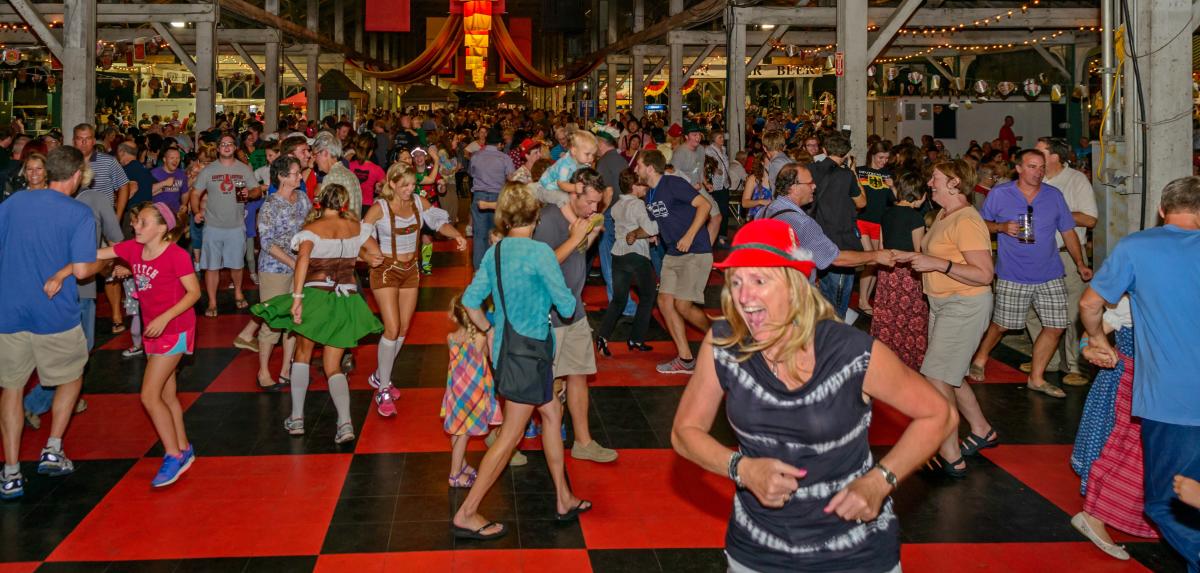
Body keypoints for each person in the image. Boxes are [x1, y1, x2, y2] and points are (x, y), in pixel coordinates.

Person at [671, 218, 955, 573]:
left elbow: (939, 414)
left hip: (854, 554)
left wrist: (881, 480)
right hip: (759, 553)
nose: (744, 297)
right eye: (737, 281)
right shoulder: (725, 343)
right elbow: (685, 432)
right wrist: (741, 468)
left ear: (794, 285)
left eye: (759, 280)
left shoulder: (851, 351)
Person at [453, 182, 589, 541]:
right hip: (531, 354)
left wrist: (490, 328)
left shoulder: (494, 253)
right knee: (510, 436)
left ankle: (563, 497)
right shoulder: (540, 253)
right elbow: (566, 305)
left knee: (551, 414)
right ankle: (467, 512)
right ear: (536, 215)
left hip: (510, 352)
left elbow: (470, 300)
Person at [1080, 175, 1200, 571]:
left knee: (1164, 502)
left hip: (1171, 400)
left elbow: (1090, 303)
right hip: (1170, 397)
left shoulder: (1138, 247)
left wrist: (1096, 341)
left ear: (1162, 210)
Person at [251, 184, 384, 445]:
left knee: (302, 353)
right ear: (344, 204)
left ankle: (297, 418)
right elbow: (375, 254)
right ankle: (345, 423)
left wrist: (297, 298)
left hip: (316, 297)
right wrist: (365, 259)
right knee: (333, 365)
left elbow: (302, 261)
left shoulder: (311, 231)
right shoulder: (356, 228)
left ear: (320, 203)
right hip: (345, 299)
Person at [0, 146, 97, 499]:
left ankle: (10, 471)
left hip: (9, 311)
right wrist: (103, 260)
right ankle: (53, 447)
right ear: (76, 177)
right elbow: (85, 271)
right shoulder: (79, 214)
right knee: (72, 377)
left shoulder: (12, 204)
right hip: (54, 314)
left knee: (11, 388)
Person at [893, 159, 997, 478]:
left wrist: (938, 264)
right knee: (951, 373)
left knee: (936, 377)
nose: (929, 183)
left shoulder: (966, 220)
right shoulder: (944, 214)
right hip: (943, 303)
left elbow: (984, 274)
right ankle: (981, 429)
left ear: (954, 182)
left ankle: (951, 455)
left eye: (935, 178)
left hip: (964, 305)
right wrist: (917, 259)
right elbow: (940, 254)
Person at [971, 149, 1092, 398]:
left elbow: (1068, 231)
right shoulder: (1000, 194)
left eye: (1041, 168)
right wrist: (1001, 227)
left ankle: (1036, 378)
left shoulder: (1053, 195)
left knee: (1056, 326)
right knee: (1003, 324)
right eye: (1032, 166)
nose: (1037, 172)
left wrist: (1080, 263)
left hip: (1050, 272)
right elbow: (980, 225)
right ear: (1018, 168)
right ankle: (981, 357)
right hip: (1013, 272)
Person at [95, 203, 199, 487]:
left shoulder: (176, 256)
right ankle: (184, 448)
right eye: (135, 222)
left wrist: (166, 317)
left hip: (174, 329)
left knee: (149, 396)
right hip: (153, 331)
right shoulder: (133, 249)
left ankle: (173, 454)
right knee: (167, 396)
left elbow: (194, 293)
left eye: (142, 222)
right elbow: (97, 253)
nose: (135, 226)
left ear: (162, 228)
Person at [365, 163, 465, 416]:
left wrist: (456, 235)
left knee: (404, 329)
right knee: (392, 327)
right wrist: (370, 254)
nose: (409, 189)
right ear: (392, 184)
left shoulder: (419, 203)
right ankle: (383, 388)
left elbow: (438, 223)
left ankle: (380, 375)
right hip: (386, 269)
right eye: (404, 185)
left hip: (411, 270)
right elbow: (361, 233)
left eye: (412, 185)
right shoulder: (380, 207)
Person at [533, 167, 616, 463]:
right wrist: (578, 235)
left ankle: (583, 441)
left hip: (575, 310)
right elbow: (543, 265)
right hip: (550, 313)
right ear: (574, 191)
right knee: (539, 383)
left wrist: (589, 233)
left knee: (579, 374)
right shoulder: (549, 219)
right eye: (589, 202)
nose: (593, 208)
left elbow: (576, 253)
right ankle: (505, 436)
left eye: (597, 204)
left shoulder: (579, 220)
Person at [1069, 296, 1157, 560]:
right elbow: (1093, 330)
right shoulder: (1134, 300)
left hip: (1159, 385)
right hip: (1132, 385)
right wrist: (1088, 347)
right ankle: (1094, 516)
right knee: (1127, 452)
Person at [1022, 137, 1098, 386]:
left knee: (1072, 310)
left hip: (1066, 254)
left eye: (1041, 151)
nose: (1035, 155)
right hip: (1035, 255)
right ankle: (1048, 359)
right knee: (1033, 309)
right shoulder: (1036, 180)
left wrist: (1057, 214)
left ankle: (1077, 366)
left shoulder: (1075, 180)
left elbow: (1090, 219)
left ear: (1054, 156)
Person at [635, 150, 712, 375]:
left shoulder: (673, 183)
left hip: (695, 251)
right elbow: (656, 225)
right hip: (673, 253)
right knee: (666, 302)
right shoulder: (649, 196)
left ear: (650, 167)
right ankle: (686, 359)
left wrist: (688, 236)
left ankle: (722, 338)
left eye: (638, 165)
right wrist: (634, 234)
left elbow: (705, 206)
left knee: (683, 306)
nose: (636, 169)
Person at [249, 156, 309, 390]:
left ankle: (286, 369)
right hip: (274, 269)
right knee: (272, 320)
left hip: (299, 266)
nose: (300, 176)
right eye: (295, 173)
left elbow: (310, 227)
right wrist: (293, 263)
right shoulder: (270, 205)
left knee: (293, 319)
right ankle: (263, 371)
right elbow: (266, 242)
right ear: (282, 177)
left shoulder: (303, 199)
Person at [192, 132, 264, 317]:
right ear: (217, 148)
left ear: (234, 147)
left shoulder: (243, 169)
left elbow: (256, 190)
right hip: (212, 226)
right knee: (212, 266)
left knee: (237, 264)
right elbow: (195, 193)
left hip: (236, 225)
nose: (226, 147)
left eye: (230, 144)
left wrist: (251, 194)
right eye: (223, 144)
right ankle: (213, 302)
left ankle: (238, 292)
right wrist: (196, 212)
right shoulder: (208, 170)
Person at [442, 294, 502, 489]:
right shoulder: (480, 338)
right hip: (472, 392)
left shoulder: (450, 337)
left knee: (456, 430)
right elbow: (487, 358)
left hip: (455, 390)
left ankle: (461, 464)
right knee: (464, 433)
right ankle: (454, 474)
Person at [596, 168, 658, 355]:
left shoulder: (616, 207)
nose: (645, 187)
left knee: (618, 300)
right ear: (634, 187)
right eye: (641, 185)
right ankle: (636, 339)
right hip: (636, 255)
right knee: (648, 296)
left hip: (618, 255)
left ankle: (602, 337)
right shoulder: (638, 205)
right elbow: (650, 228)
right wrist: (659, 224)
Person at [872, 171, 928, 371]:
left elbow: (881, 244)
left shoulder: (886, 214)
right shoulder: (916, 218)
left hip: (887, 270)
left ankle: (885, 356)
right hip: (907, 274)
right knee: (911, 315)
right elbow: (917, 251)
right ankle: (910, 357)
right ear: (919, 196)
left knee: (888, 313)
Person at [807, 133, 867, 319]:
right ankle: (835, 331)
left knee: (823, 289)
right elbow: (862, 203)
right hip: (841, 239)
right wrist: (854, 172)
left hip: (815, 237)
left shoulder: (810, 169)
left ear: (824, 150)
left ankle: (822, 327)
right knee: (839, 298)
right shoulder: (846, 175)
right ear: (846, 154)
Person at [855, 142, 895, 315]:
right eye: (881, 157)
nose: (884, 161)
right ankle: (863, 301)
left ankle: (866, 299)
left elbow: (895, 200)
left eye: (886, 158)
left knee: (876, 262)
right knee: (870, 260)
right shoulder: (860, 171)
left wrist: (892, 186)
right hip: (862, 219)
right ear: (872, 155)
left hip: (879, 222)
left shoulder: (887, 174)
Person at [467, 129, 514, 269]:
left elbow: (471, 173)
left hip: (479, 196)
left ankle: (479, 269)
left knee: (479, 234)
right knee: (497, 233)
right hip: (497, 198)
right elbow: (511, 178)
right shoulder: (505, 158)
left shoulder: (476, 156)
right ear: (499, 144)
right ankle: (495, 266)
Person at [537, 129, 597, 208]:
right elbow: (561, 184)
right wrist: (575, 187)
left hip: (560, 187)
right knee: (564, 198)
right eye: (587, 154)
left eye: (593, 155)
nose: (591, 158)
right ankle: (574, 220)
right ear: (574, 151)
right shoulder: (565, 164)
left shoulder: (582, 161)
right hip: (546, 188)